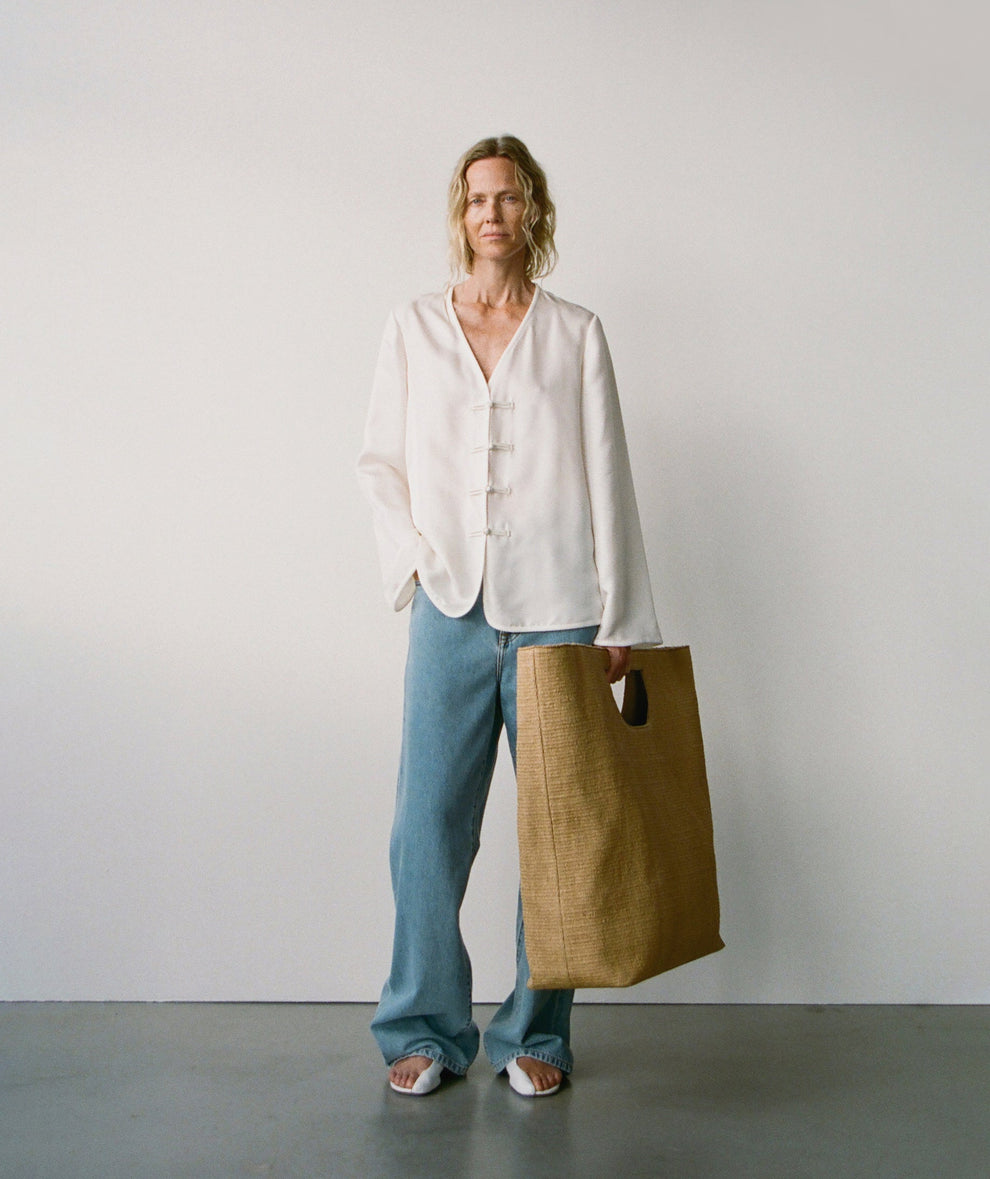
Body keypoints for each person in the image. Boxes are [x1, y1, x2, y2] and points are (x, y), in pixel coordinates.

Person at [357, 135, 662, 1097]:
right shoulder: (413, 326)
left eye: (510, 196)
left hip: (560, 612)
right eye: (477, 197)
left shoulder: (576, 333)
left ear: (534, 212)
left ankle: (538, 1034)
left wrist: (623, 616)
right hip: (450, 607)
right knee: (426, 828)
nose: (492, 212)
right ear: (461, 213)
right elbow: (379, 463)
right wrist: (413, 560)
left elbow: (607, 473)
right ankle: (424, 1026)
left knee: (562, 832)